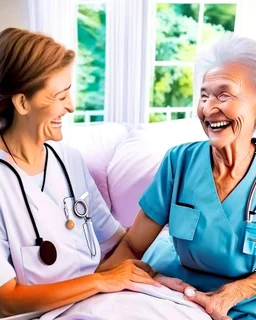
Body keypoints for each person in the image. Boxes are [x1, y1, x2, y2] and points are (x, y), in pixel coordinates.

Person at [0, 28, 211, 320]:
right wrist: (101, 281)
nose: (71, 106)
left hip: (92, 303)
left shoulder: (68, 161)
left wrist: (161, 270)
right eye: (60, 96)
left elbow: (117, 245)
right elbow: (6, 301)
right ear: (22, 103)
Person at [99, 33, 256, 320]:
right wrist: (94, 285)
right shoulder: (179, 160)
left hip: (241, 306)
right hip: (169, 291)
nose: (208, 109)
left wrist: (233, 293)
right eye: (204, 95)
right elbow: (133, 246)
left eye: (224, 94)